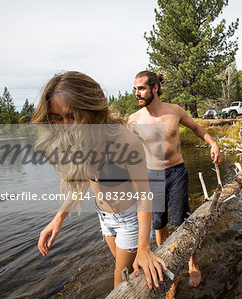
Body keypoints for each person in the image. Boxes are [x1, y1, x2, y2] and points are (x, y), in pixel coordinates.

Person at [32, 71, 166, 290]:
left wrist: (144, 248)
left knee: (119, 284)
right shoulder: (80, 139)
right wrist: (58, 218)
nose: (65, 126)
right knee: (129, 275)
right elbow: (86, 179)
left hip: (129, 220)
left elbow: (144, 195)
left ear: (91, 108)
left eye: (72, 116)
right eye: (58, 118)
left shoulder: (125, 141)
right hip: (104, 219)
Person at [128, 70, 222, 297]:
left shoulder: (174, 111)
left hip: (176, 172)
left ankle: (192, 264)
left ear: (155, 88)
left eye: (141, 88)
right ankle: (167, 269)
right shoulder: (134, 119)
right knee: (158, 223)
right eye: (135, 90)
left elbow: (197, 129)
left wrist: (213, 143)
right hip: (151, 176)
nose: (137, 94)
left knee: (183, 221)